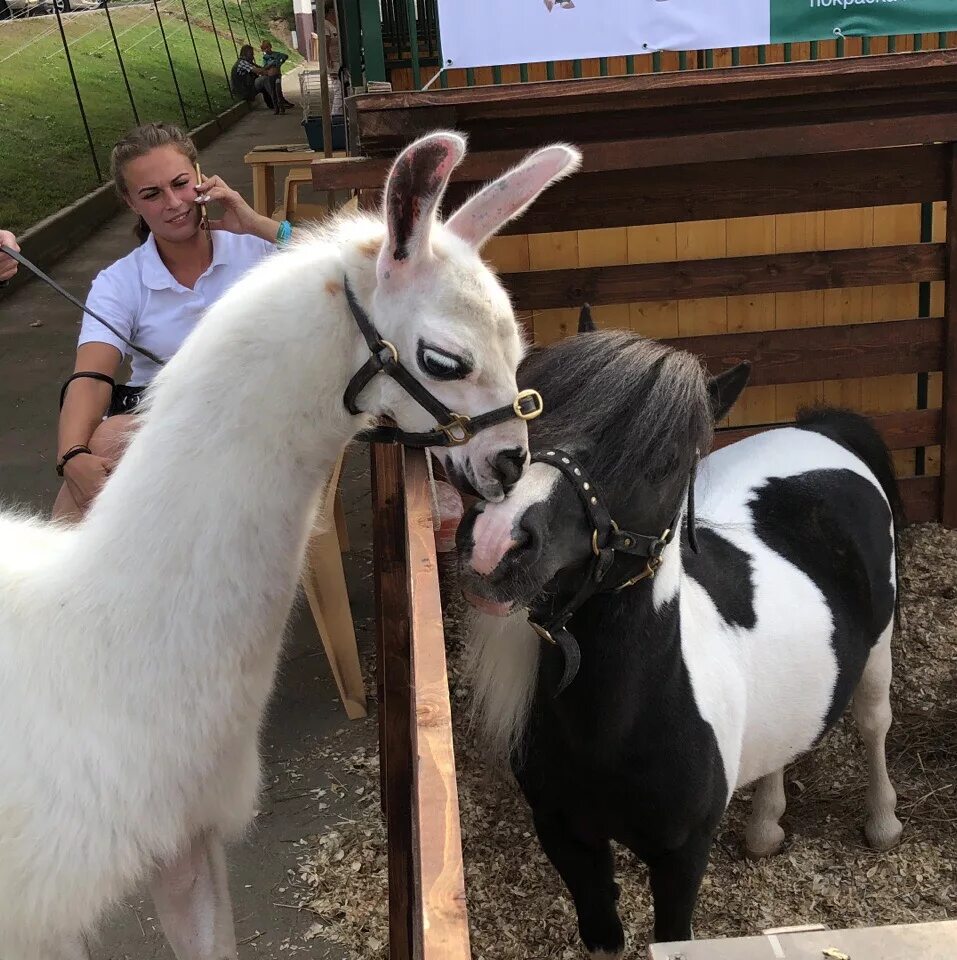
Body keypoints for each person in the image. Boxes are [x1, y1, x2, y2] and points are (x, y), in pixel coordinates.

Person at [53, 122, 293, 521]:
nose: (173, 202)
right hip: (166, 422)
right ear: (132, 203)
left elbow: (348, 270)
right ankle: (65, 577)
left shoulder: (256, 250)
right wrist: (71, 455)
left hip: (257, 419)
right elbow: (91, 377)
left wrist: (257, 224)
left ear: (201, 177)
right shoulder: (120, 282)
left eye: (181, 183)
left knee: (114, 440)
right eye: (151, 194)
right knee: (103, 451)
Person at [231, 43, 285, 115]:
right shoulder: (242, 63)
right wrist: (270, 71)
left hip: (246, 89)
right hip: (242, 92)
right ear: (245, 54)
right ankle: (278, 102)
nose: (253, 57)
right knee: (264, 80)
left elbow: (260, 69)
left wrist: (268, 69)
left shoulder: (246, 62)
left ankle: (274, 103)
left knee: (265, 80)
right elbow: (258, 71)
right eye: (251, 54)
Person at [260, 40, 295, 110]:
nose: (267, 49)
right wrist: (270, 64)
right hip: (270, 76)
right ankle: (276, 108)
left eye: (268, 47)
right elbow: (264, 67)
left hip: (277, 75)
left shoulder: (277, 54)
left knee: (278, 90)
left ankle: (282, 107)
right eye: (264, 48)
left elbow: (285, 56)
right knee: (273, 92)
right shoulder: (265, 58)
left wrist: (280, 62)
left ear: (270, 47)